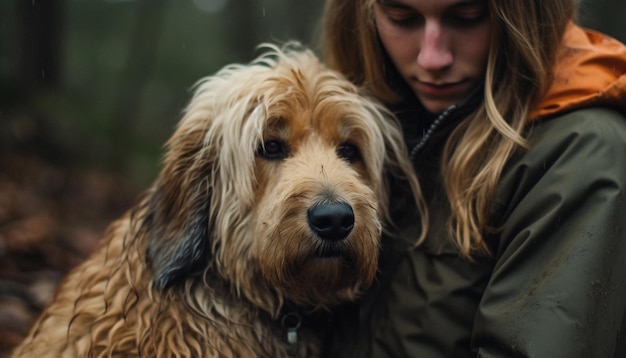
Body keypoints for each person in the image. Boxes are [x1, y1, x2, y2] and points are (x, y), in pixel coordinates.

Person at [318, 0, 626, 356]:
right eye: (402, 19)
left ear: (525, 16)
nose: (432, 58)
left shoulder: (582, 155)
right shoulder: (387, 123)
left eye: (467, 18)